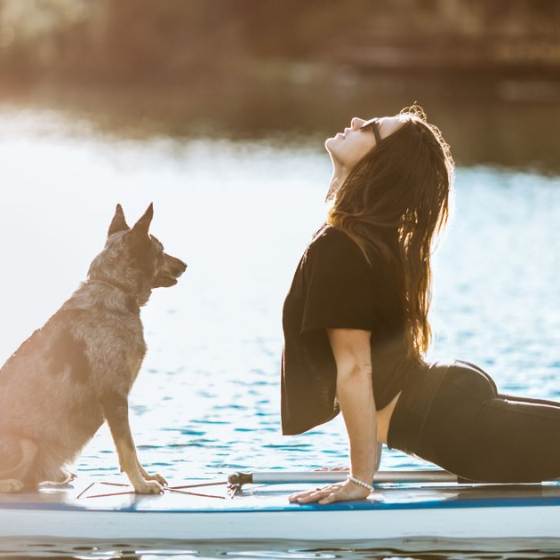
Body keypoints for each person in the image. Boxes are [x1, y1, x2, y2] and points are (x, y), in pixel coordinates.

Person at [281, 104, 560, 505]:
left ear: (381, 165)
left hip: (456, 423)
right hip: (452, 411)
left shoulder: (343, 245)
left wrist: (360, 480)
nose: (358, 121)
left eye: (372, 128)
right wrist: (362, 468)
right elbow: (369, 368)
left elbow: (357, 369)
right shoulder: (358, 241)